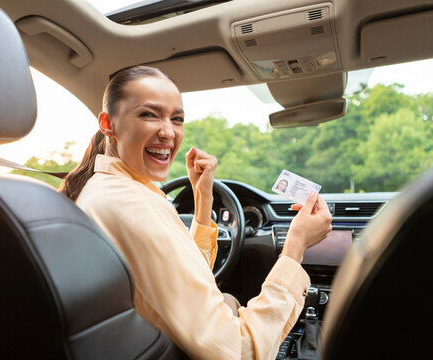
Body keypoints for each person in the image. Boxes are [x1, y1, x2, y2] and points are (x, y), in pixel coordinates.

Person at [60, 66, 332, 359]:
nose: (167, 131)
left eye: (177, 119)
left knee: (227, 299)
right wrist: (294, 249)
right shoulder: (134, 206)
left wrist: (203, 198)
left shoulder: (107, 189)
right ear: (107, 123)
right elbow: (240, 350)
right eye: (149, 114)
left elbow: (185, 278)